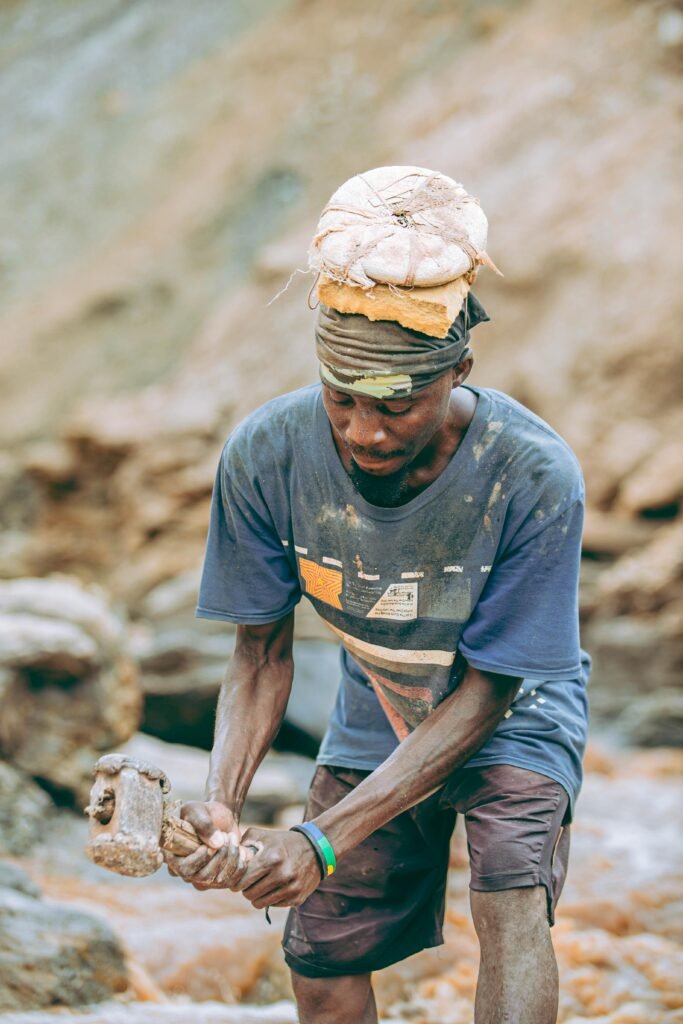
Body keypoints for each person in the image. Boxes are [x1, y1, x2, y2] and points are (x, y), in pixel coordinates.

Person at [165, 292, 590, 1024]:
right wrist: (221, 806)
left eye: (397, 406)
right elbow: (259, 655)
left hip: (516, 707)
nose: (365, 431)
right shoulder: (268, 454)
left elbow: (488, 691)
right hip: (379, 694)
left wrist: (318, 842)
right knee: (323, 958)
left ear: (459, 371)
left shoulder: (530, 473)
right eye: (342, 399)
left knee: (509, 897)